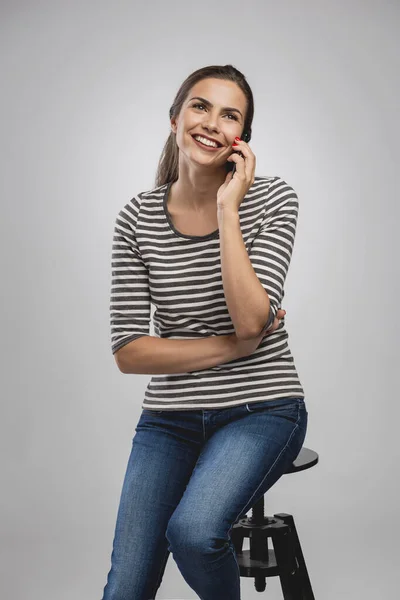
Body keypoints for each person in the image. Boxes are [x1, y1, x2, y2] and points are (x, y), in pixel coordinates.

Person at [101, 64, 308, 600]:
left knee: (194, 533)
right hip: (168, 419)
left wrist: (227, 207)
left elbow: (250, 318)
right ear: (175, 118)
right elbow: (129, 350)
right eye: (200, 106)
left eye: (230, 114)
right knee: (126, 585)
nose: (212, 122)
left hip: (262, 409)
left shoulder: (273, 199)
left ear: (242, 139)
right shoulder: (136, 217)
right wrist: (235, 347)